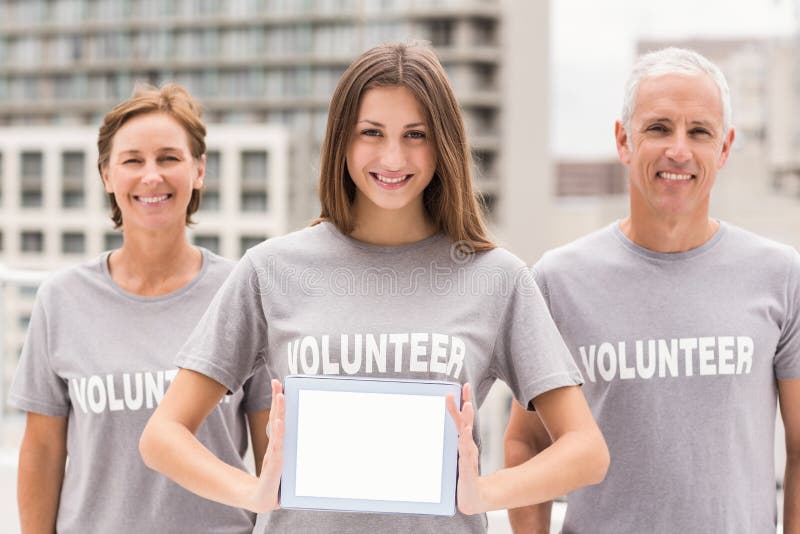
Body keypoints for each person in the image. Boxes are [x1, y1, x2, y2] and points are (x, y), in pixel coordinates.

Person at [139, 42, 609, 533]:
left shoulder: (497, 278)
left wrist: (483, 491)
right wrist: (253, 491)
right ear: (342, 141)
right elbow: (162, 436)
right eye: (372, 133)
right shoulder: (270, 269)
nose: (393, 156)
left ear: (442, 143)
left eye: (415, 135)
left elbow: (586, 451)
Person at [504, 47, 800, 533]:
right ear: (624, 140)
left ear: (724, 149)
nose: (678, 150)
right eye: (659, 128)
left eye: (699, 132)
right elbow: (527, 442)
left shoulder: (779, 275)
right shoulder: (559, 281)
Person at [9, 83, 271, 534]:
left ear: (199, 170)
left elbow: (274, 454)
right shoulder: (61, 299)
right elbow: (42, 453)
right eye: (133, 160)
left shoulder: (243, 291)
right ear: (107, 175)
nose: (152, 176)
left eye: (169, 158)